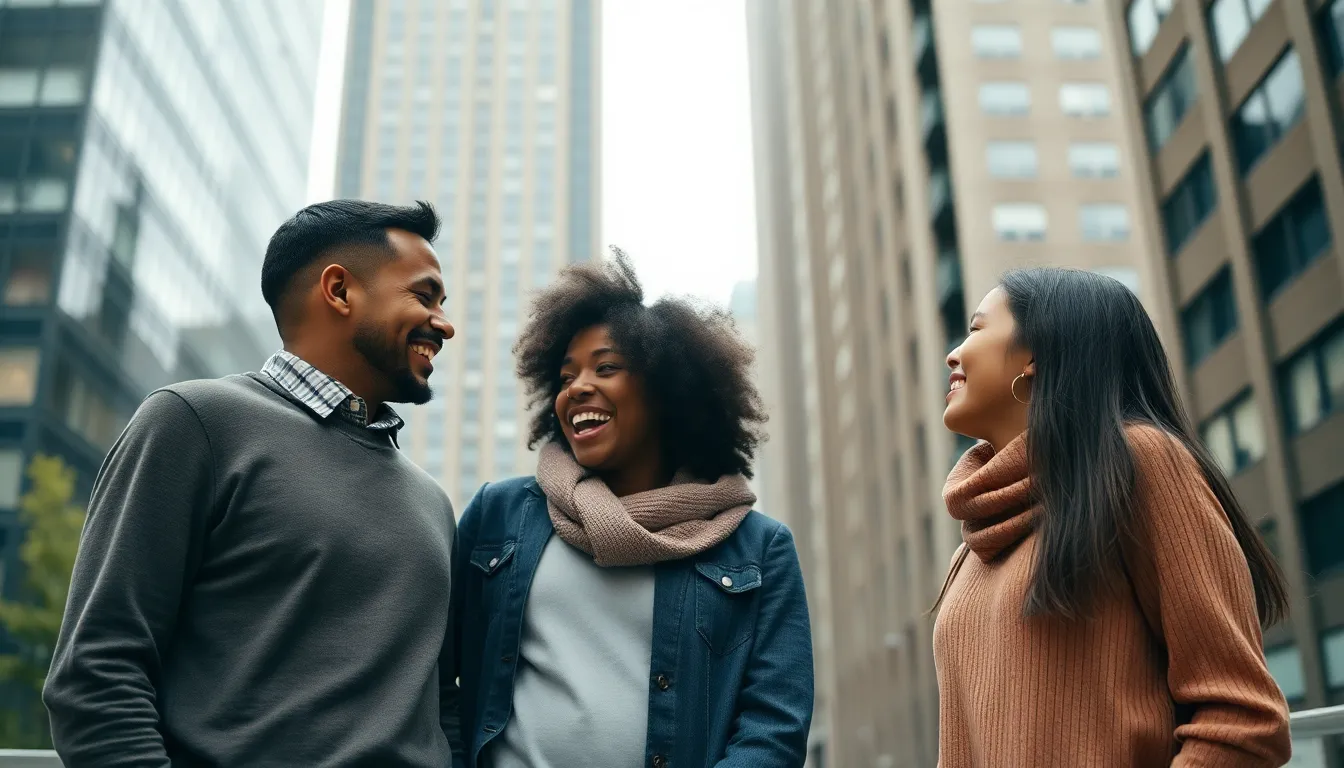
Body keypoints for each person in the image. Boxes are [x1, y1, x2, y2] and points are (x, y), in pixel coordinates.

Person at [44, 200, 461, 767]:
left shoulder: (432, 503)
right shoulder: (195, 423)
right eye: (424, 296)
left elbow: (442, 705)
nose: (445, 323)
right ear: (339, 290)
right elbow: (95, 676)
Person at [447, 251, 813, 768]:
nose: (578, 388)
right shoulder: (498, 515)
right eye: (566, 377)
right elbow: (434, 680)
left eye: (606, 367)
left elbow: (774, 727)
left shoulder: (758, 548)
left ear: (667, 393)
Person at [934, 267, 1292, 767]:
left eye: (976, 329)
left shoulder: (1137, 462)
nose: (952, 354)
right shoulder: (975, 540)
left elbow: (1243, 719)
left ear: (1036, 353)